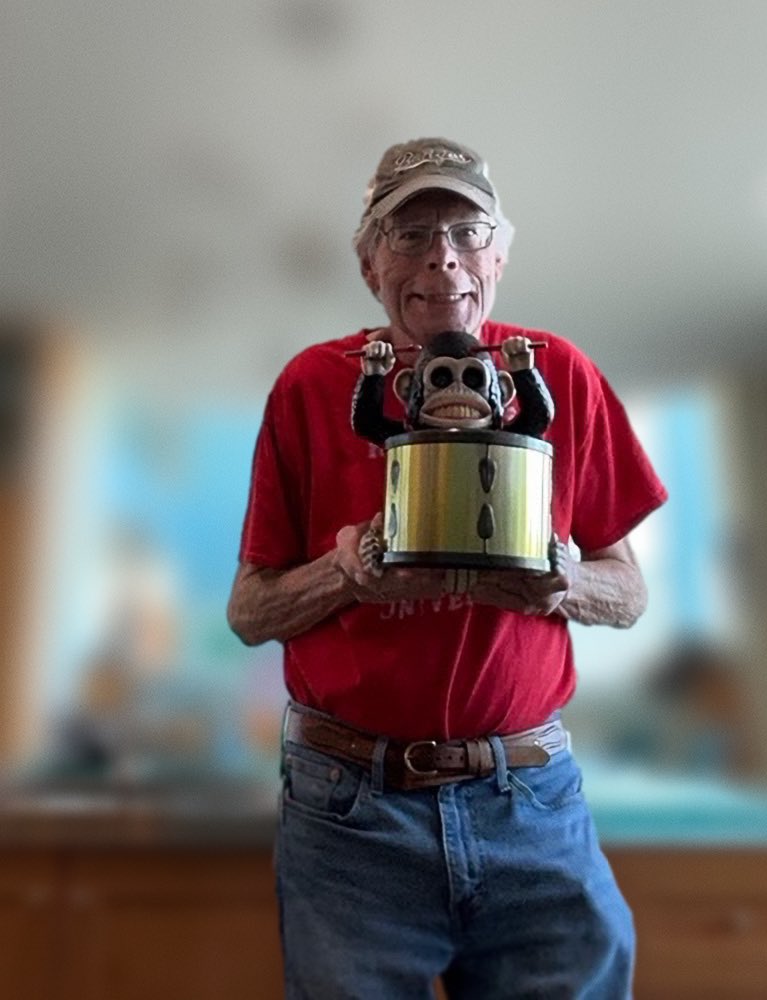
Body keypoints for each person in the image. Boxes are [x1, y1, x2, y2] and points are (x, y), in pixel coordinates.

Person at [228, 137, 667, 999]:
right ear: (367, 263)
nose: (443, 258)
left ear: (500, 253)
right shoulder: (311, 388)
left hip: (531, 801)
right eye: (410, 233)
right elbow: (250, 609)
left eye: (468, 232)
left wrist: (564, 581)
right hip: (350, 811)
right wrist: (340, 572)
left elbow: (631, 589)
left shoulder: (561, 376)